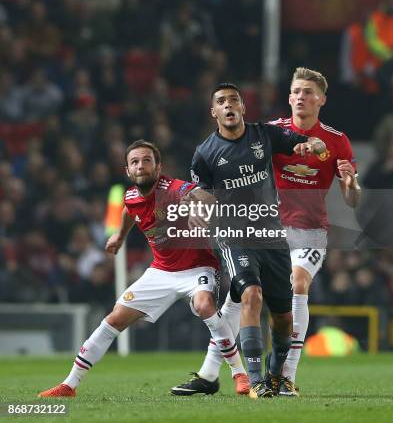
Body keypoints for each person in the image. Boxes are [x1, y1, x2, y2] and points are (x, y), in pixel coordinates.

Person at [175, 68, 359, 397]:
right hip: (261, 229)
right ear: (289, 98)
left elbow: (352, 199)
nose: (301, 96)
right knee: (240, 299)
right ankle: (210, 372)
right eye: (296, 91)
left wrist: (350, 184)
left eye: (308, 92)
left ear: (321, 99)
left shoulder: (336, 140)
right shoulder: (266, 132)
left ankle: (284, 375)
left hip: (308, 230)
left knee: (296, 283)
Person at [38, 139, 250, 398]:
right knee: (113, 319)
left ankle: (239, 374)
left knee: (205, 305)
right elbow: (130, 210)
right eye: (135, 162)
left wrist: (197, 206)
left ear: (158, 167)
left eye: (147, 160)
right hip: (160, 271)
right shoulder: (130, 196)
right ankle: (69, 384)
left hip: (198, 267)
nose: (141, 166)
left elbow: (203, 195)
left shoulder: (172, 189)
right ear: (127, 170)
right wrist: (119, 236)